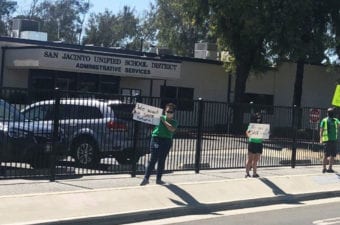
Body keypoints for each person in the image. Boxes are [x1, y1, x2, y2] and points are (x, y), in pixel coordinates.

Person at [140, 103, 178, 186]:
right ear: (165, 111)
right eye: (167, 111)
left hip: (166, 141)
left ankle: (158, 179)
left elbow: (171, 129)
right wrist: (138, 112)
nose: (168, 113)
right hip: (156, 138)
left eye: (171, 111)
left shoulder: (174, 122)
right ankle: (146, 178)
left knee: (162, 160)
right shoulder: (159, 117)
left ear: (173, 113)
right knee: (153, 158)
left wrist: (163, 121)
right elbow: (146, 116)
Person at [319, 107, 340, 173]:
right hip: (327, 140)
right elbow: (321, 130)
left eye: (332, 112)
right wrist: (321, 138)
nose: (331, 113)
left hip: (333, 140)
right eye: (330, 112)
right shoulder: (324, 120)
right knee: (326, 155)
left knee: (332, 155)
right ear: (328, 113)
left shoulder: (336, 120)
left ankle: (330, 168)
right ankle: (324, 168)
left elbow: (339, 125)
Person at [245, 112, 263, 178]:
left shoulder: (262, 126)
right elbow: (247, 132)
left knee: (256, 159)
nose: (258, 119)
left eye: (259, 118)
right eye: (257, 118)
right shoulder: (251, 125)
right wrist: (249, 135)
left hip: (259, 143)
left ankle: (254, 173)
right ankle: (247, 173)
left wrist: (267, 134)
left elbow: (265, 134)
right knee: (250, 159)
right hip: (252, 143)